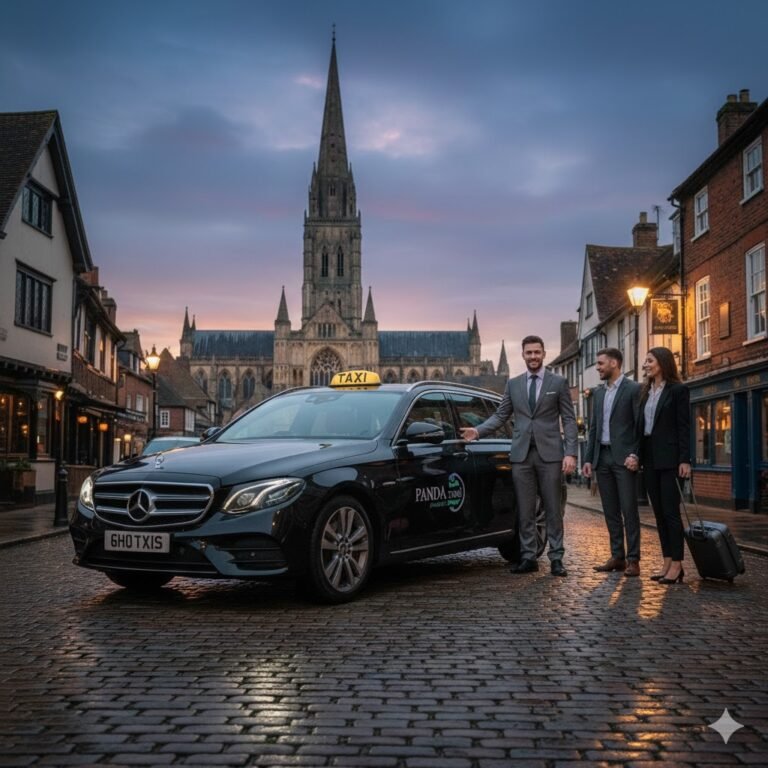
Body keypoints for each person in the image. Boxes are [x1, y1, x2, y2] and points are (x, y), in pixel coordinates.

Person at [460, 335, 578, 577]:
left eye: (537, 352)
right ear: (523, 355)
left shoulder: (558, 382)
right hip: (521, 455)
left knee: (553, 509)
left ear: (543, 354)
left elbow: (568, 418)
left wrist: (571, 453)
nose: (533, 356)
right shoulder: (513, 384)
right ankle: (528, 557)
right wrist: (478, 431)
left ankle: (556, 558)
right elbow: (501, 415)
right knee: (525, 510)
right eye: (529, 353)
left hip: (550, 455)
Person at [582, 348, 642, 576]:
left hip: (624, 459)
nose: (597, 367)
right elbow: (593, 428)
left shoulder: (634, 389)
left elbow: (639, 426)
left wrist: (635, 454)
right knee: (610, 511)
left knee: (629, 509)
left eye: (600, 363)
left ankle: (633, 560)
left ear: (614, 363)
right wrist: (588, 459)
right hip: (602, 457)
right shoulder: (597, 393)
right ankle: (618, 556)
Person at [638, 346, 691, 585]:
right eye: (645, 362)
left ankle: (678, 564)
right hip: (649, 458)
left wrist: (685, 460)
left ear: (662, 362)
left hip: (670, 460)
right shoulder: (646, 391)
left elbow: (684, 427)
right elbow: (642, 428)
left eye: (649, 361)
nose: (646, 365)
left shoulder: (678, 390)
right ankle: (667, 561)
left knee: (671, 513)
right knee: (658, 513)